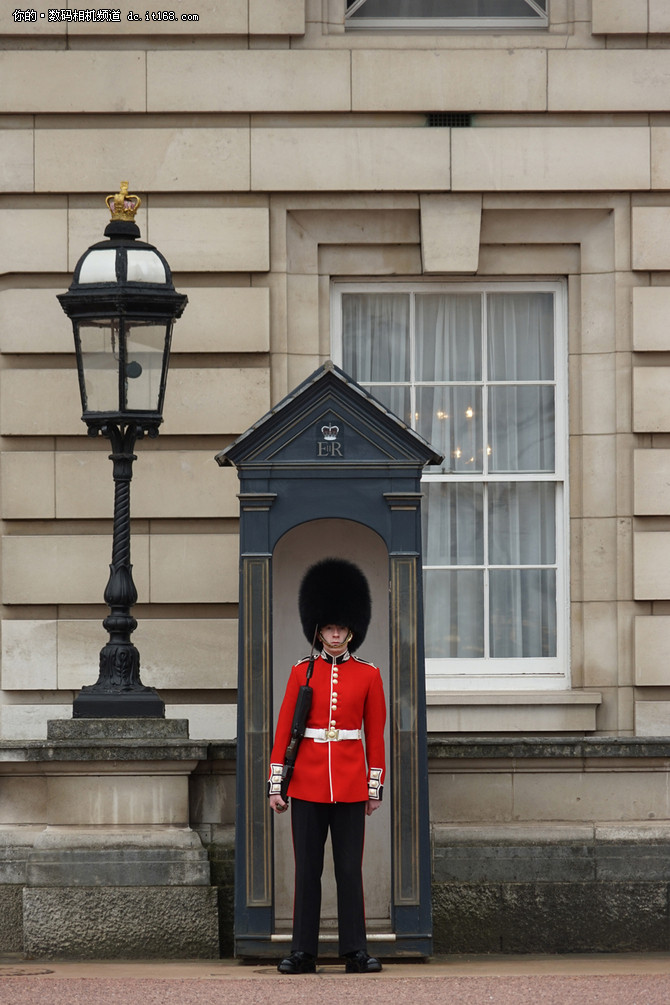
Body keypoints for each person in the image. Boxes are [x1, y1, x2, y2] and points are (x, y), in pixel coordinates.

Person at [268, 557, 386, 975]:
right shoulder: (302, 671)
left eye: (341, 627)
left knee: (348, 871)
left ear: (352, 629)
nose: (335, 634)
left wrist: (374, 788)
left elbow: (375, 735)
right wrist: (276, 784)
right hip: (307, 783)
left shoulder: (369, 676)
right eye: (329, 627)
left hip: (351, 783)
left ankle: (355, 950)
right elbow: (284, 731)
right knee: (309, 871)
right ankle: (304, 952)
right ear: (318, 629)